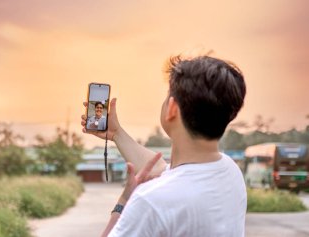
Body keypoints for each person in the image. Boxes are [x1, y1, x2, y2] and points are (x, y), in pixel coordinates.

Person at [81, 55, 247, 237]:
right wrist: (116, 133)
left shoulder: (151, 202)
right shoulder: (230, 171)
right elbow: (164, 171)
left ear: (172, 108)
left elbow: (166, 183)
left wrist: (125, 199)